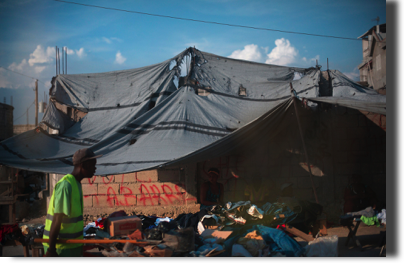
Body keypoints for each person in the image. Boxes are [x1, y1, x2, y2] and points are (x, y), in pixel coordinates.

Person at [43, 148, 102, 257]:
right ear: (83, 165)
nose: (95, 168)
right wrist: (51, 250)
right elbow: (57, 219)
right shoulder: (66, 185)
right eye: (92, 165)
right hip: (60, 247)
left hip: (72, 245)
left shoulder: (76, 184)